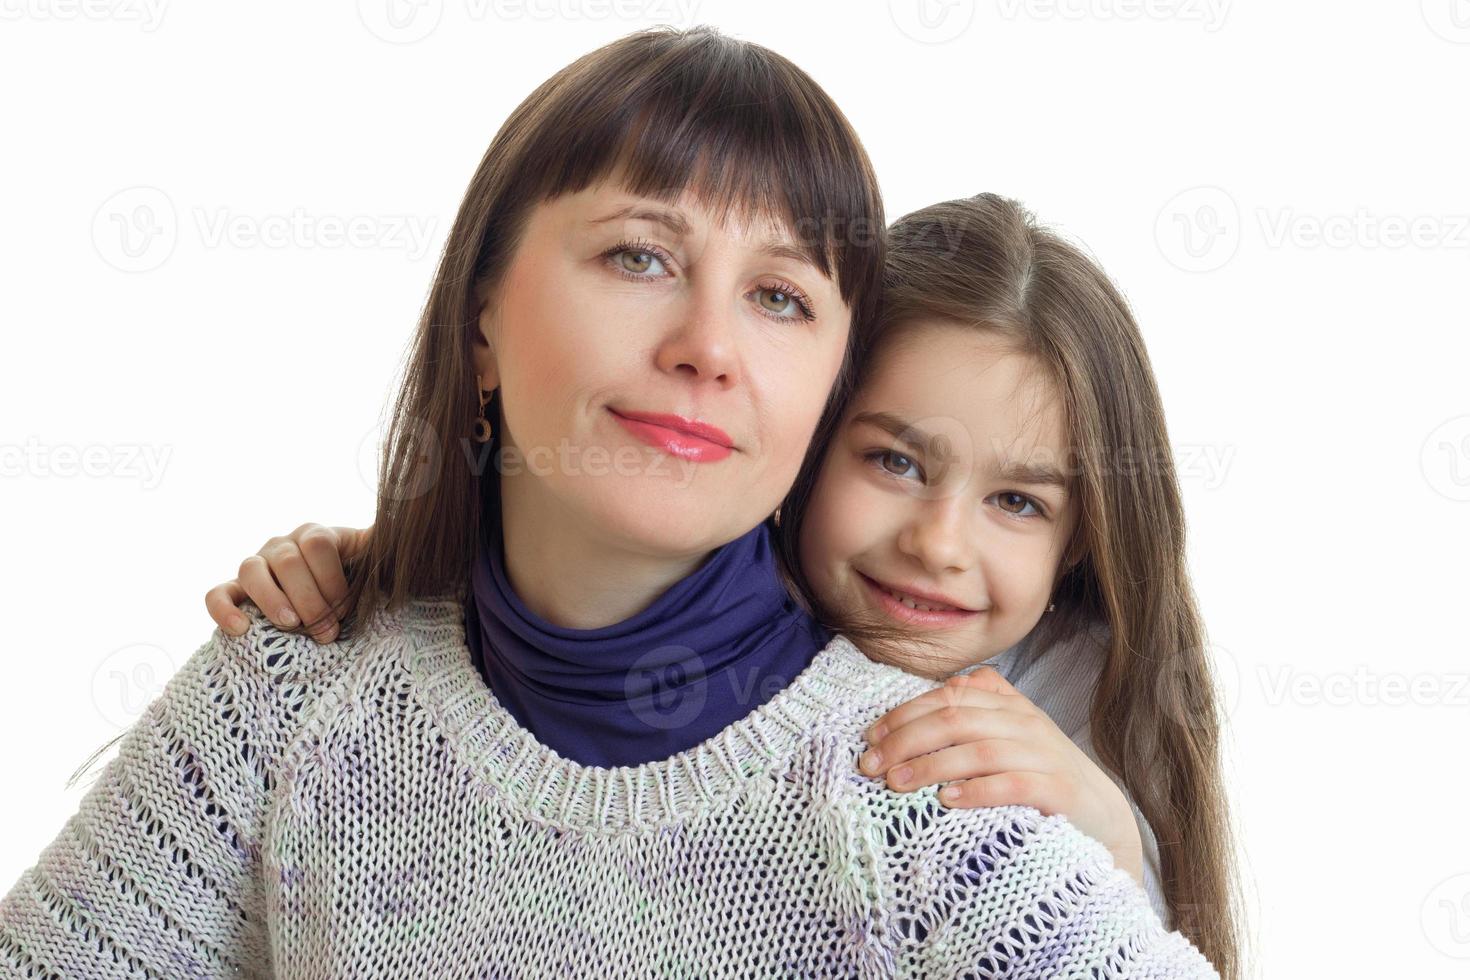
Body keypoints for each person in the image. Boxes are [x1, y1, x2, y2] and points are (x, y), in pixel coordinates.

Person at [0, 27, 1224, 978]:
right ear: (482, 314)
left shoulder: (924, 798)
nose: (708, 345)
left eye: (782, 297)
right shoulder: (286, 687)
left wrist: (1113, 839)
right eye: (639, 255)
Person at [205, 194, 1244, 975]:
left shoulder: (1054, 735)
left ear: (1078, 550)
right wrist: (391, 559)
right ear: (796, 435)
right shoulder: (629, 619)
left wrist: (1113, 841)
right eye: (892, 461)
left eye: (1018, 502)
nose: (938, 543)